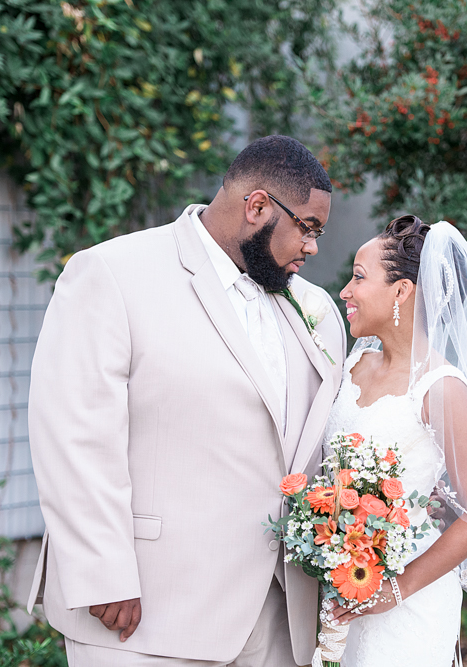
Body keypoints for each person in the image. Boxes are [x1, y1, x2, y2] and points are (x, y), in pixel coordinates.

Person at [25, 135, 347, 667]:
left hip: (278, 617)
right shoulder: (113, 273)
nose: (313, 247)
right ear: (258, 207)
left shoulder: (311, 307)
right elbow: (74, 433)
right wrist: (102, 570)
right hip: (145, 610)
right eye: (308, 228)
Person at [323, 215, 467, 666]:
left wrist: (397, 587)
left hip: (409, 605)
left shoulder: (441, 387)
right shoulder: (352, 366)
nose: (345, 292)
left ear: (402, 291)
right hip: (338, 587)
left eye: (359, 277)